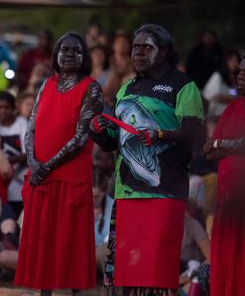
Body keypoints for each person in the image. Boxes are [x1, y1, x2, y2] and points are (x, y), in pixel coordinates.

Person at [90, 24, 204, 295]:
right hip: (127, 189)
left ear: (163, 52)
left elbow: (193, 132)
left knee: (157, 265)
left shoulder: (183, 85)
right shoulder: (127, 87)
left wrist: (161, 133)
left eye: (146, 47)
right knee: (129, 264)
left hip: (165, 190)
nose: (138, 52)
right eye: (135, 47)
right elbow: (114, 140)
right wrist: (98, 131)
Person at [17, 32, 103, 295]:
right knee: (44, 242)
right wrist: (33, 162)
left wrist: (46, 166)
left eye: (76, 51)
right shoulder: (46, 85)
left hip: (69, 177)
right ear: (55, 55)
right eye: (63, 50)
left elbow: (81, 137)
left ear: (84, 57)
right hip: (42, 177)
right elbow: (31, 127)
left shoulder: (91, 87)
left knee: (70, 243)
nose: (69, 54)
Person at [203, 54, 245, 296]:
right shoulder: (232, 109)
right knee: (225, 260)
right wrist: (230, 144)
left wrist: (224, 144)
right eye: (239, 72)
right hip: (227, 201)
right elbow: (208, 150)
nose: (241, 76)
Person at [202, 50, 241, 117]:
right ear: (226, 61)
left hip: (232, 115)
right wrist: (233, 99)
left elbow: (235, 95)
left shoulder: (237, 78)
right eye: (231, 60)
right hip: (217, 114)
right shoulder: (218, 76)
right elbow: (214, 96)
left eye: (236, 61)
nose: (234, 64)